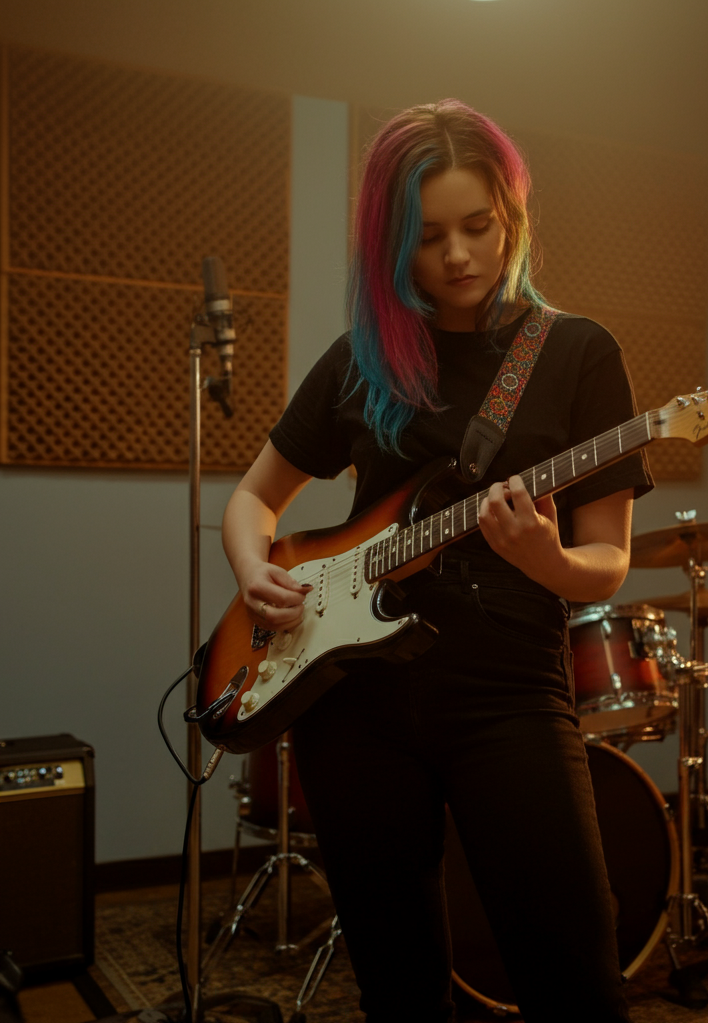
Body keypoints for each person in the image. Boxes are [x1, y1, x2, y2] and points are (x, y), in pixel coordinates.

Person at [221, 99, 652, 1023]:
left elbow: (609, 560)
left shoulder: (577, 354)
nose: (458, 255)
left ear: (513, 217)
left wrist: (546, 559)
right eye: (427, 237)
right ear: (389, 247)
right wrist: (253, 567)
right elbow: (254, 499)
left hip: (507, 695)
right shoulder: (360, 362)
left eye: (477, 227)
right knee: (396, 981)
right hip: (353, 706)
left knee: (575, 971)